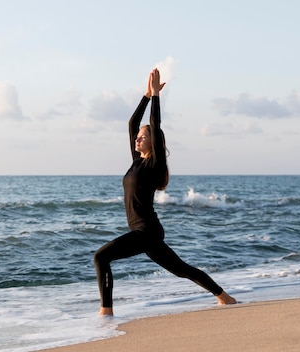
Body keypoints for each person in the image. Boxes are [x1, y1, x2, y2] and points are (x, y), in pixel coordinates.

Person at [93, 68, 236, 316]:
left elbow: (155, 123)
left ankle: (106, 313)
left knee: (101, 258)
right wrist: (146, 95)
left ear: (153, 141)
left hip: (146, 231)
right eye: (137, 138)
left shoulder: (153, 164)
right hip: (145, 231)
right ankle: (225, 297)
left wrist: (157, 96)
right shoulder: (137, 162)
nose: (137, 140)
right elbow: (131, 124)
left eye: (142, 137)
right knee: (181, 269)